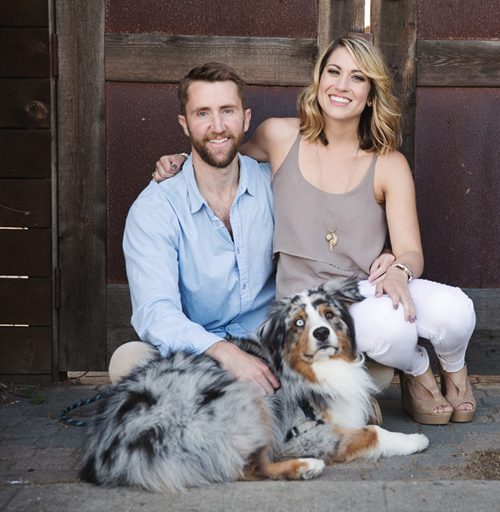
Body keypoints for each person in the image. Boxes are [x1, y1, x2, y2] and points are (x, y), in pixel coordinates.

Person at [155, 36, 477, 424]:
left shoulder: (389, 163)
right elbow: (221, 154)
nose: (341, 86)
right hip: (304, 304)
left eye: (357, 78)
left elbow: (411, 251)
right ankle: (418, 371)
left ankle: (456, 374)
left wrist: (398, 269)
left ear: (371, 94)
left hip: (362, 289)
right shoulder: (279, 136)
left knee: (457, 310)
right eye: (334, 72)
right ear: (319, 79)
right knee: (391, 331)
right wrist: (178, 158)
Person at [109, 63, 280, 395]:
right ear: (184, 125)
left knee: (366, 367)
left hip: (273, 346)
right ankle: (274, 406)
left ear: (245, 119)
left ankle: (231, 403)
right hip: (200, 353)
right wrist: (225, 353)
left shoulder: (275, 185)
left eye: (227, 111)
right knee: (127, 362)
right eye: (203, 114)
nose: (217, 127)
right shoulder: (155, 208)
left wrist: (391, 254)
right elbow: (155, 311)